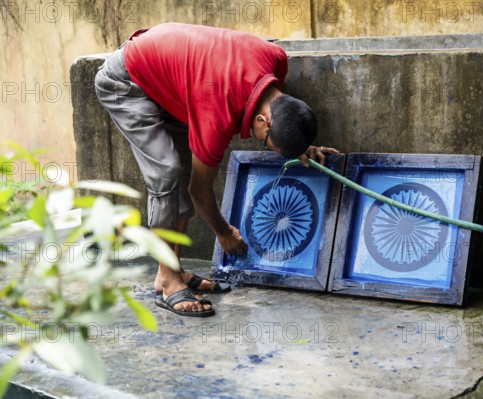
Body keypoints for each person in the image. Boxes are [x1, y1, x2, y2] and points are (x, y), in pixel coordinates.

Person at [94, 23, 338, 317]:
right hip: (126, 82)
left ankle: (173, 271)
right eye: (268, 144)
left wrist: (298, 145)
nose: (263, 145)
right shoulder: (218, 113)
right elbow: (199, 191)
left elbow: (283, 108)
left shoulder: (275, 58)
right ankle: (168, 280)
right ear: (262, 121)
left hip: (170, 74)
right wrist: (223, 233)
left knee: (180, 172)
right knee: (167, 173)